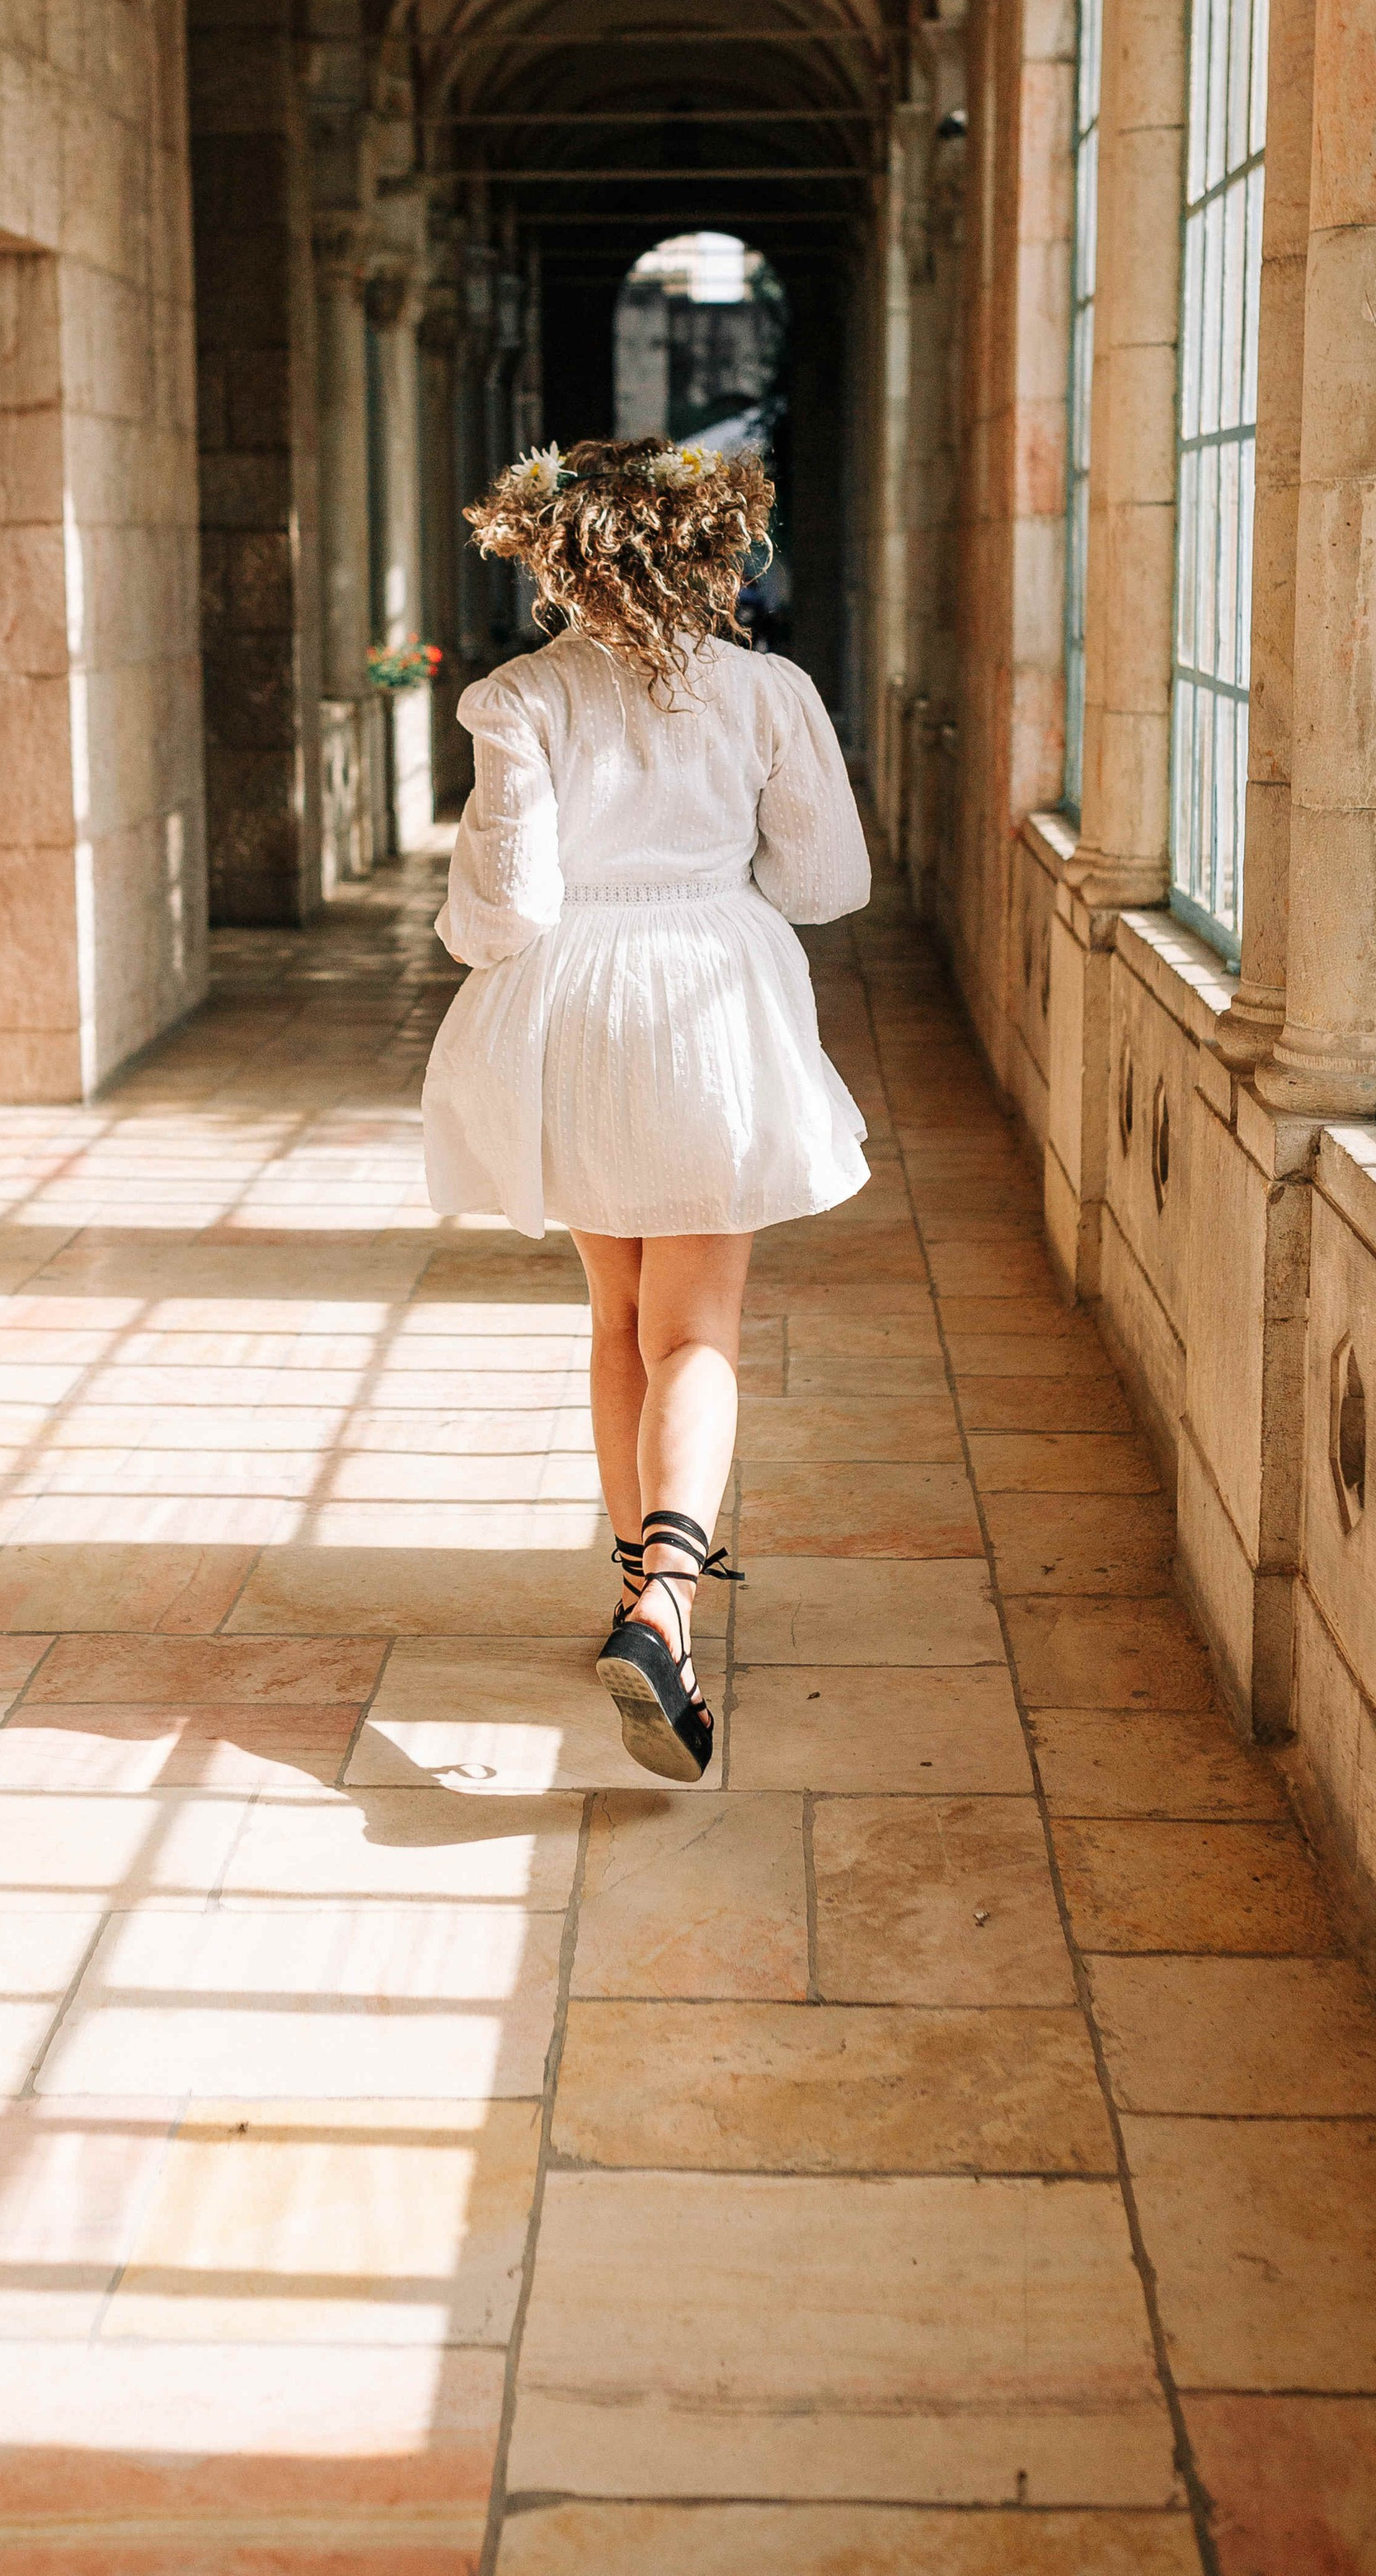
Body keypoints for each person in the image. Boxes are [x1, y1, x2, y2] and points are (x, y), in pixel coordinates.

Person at [422, 435, 872, 1781]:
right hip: (707, 1009)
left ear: (559, 557)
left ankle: (637, 1601)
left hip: (570, 1015)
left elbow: (502, 912)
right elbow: (825, 881)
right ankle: (668, 1608)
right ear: (712, 550)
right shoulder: (767, 691)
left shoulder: (518, 698)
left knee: (617, 1314)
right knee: (700, 1323)